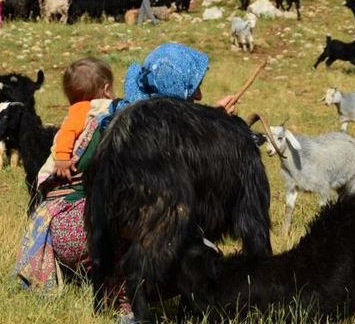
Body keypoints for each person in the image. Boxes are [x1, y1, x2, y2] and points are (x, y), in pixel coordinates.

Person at [13, 44, 235, 319]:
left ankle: (100, 283)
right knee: (152, 223)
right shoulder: (129, 129)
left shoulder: (126, 114)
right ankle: (126, 305)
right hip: (84, 228)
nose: (199, 95)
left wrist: (213, 116)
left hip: (65, 227)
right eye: (193, 90)